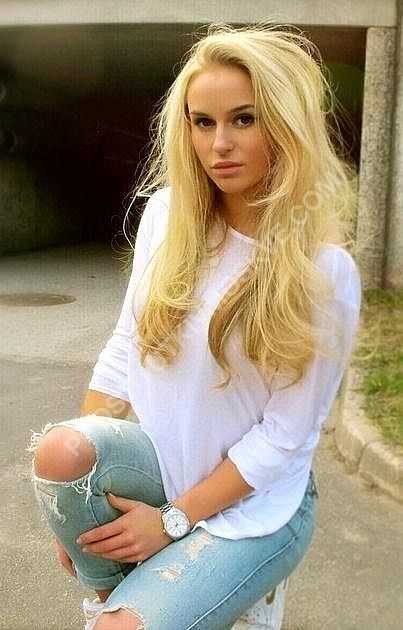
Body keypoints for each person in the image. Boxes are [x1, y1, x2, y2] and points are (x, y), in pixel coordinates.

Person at [26, 19, 362, 630]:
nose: (219, 144)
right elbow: (125, 348)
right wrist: (73, 511)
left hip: (256, 507)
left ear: (285, 124)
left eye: (244, 119)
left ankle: (134, 608)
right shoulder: (167, 214)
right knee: (60, 451)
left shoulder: (324, 269)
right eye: (202, 122)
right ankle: (117, 594)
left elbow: (285, 439)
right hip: (162, 464)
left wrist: (172, 522)